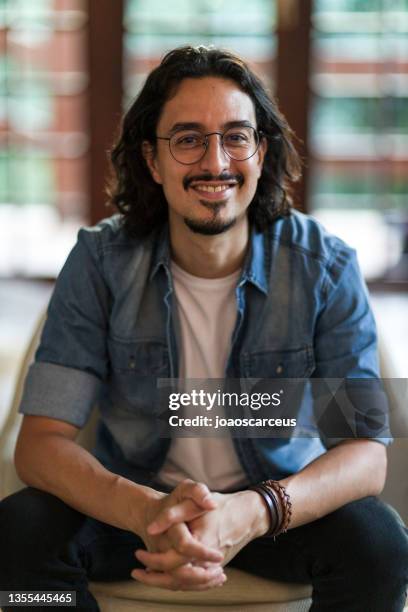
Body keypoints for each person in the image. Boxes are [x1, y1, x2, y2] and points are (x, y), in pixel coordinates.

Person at [1, 45, 407, 612]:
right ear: (152, 160)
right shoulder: (101, 262)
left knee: (378, 543)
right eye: (188, 139)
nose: (215, 161)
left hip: (273, 512)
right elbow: (40, 446)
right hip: (135, 509)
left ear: (260, 153)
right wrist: (143, 511)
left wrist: (255, 510)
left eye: (236, 136)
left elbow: (364, 452)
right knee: (17, 541)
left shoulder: (324, 267)